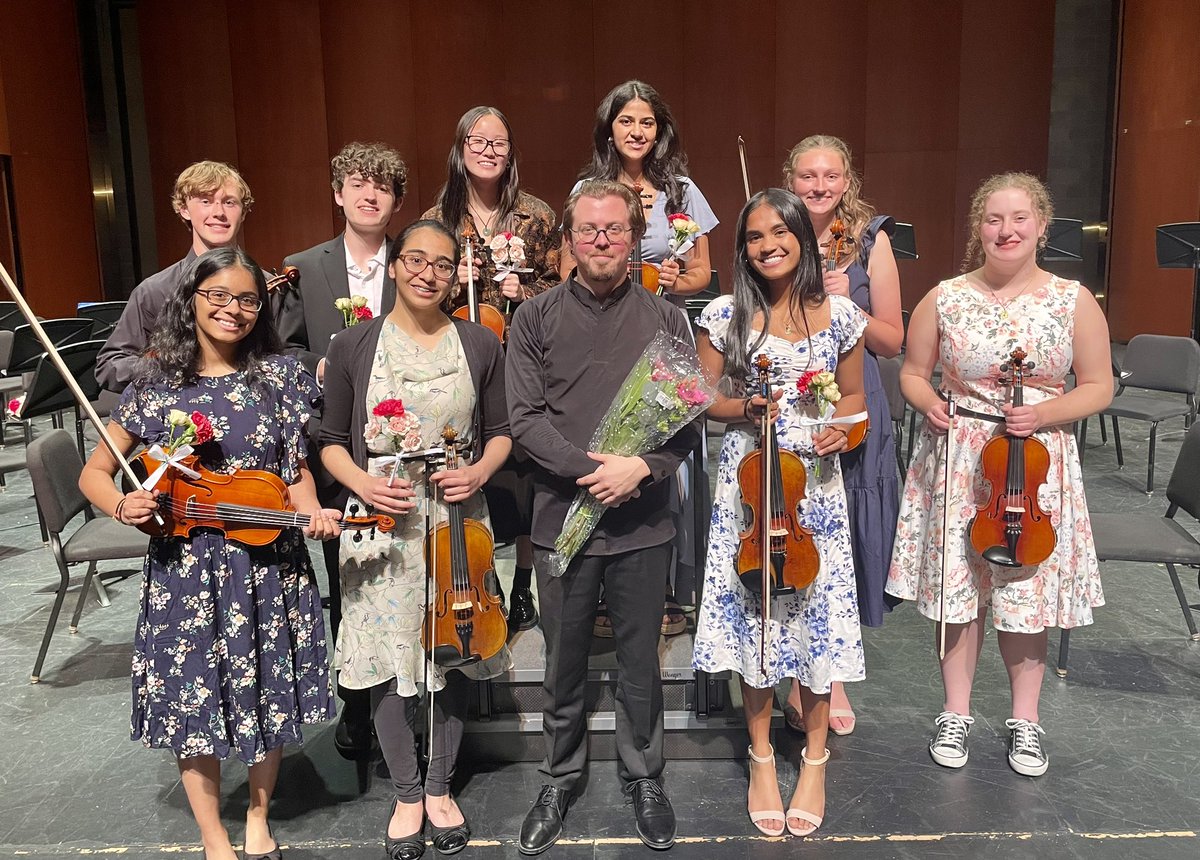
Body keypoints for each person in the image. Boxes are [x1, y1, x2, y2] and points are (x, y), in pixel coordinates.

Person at [79, 247, 338, 860]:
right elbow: (96, 473)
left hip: (270, 564)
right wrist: (122, 507)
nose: (233, 310)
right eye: (217, 296)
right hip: (186, 574)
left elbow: (293, 471)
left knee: (268, 691)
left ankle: (256, 816)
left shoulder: (282, 376)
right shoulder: (155, 385)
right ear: (190, 301)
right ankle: (213, 836)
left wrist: (312, 512)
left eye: (247, 298)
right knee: (194, 699)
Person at [885, 172, 1111, 778]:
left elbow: (1098, 385)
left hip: (1034, 462)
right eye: (992, 220)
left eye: (1018, 219)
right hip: (960, 460)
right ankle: (955, 712)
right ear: (977, 229)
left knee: (1024, 593)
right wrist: (924, 400)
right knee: (960, 595)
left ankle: (1026, 721)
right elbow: (912, 370)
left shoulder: (1072, 299)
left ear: (1041, 224)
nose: (1005, 231)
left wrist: (1041, 412)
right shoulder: (945, 295)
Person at [507, 180, 699, 854]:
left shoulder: (668, 319)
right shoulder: (532, 319)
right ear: (569, 237)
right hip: (562, 519)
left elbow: (685, 428)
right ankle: (559, 775)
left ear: (633, 235)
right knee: (563, 661)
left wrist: (640, 469)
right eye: (587, 230)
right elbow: (525, 422)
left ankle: (645, 776)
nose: (600, 241)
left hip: (643, 525)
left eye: (614, 229)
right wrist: (595, 472)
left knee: (640, 661)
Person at [319, 219, 512, 858]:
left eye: (443, 263)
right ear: (395, 266)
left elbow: (503, 430)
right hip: (382, 517)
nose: (428, 273)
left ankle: (438, 786)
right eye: (416, 260)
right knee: (384, 659)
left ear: (458, 272)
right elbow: (330, 443)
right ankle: (405, 791)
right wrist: (363, 487)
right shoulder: (353, 345)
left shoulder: (481, 343)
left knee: (453, 646)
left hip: (458, 517)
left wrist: (481, 469)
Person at [691, 187, 867, 838]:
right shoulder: (723, 315)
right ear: (742, 249)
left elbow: (853, 402)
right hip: (749, 484)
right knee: (758, 618)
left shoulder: (840, 315)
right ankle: (762, 755)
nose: (767, 245)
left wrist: (843, 433)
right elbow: (701, 398)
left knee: (815, 622)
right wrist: (744, 409)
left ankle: (814, 761)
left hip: (815, 490)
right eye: (754, 237)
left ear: (802, 236)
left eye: (779, 232)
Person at [564, 79, 718, 636]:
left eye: (647, 122)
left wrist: (681, 277)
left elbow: (703, 272)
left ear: (660, 131)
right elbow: (568, 268)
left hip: (663, 336)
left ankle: (669, 593)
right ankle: (600, 596)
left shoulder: (680, 190)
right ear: (611, 127)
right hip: (602, 339)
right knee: (604, 450)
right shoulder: (589, 187)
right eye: (627, 121)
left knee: (664, 463)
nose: (637, 131)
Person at [272, 141, 408, 759]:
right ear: (338, 194)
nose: (368, 193)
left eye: (380, 185)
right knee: (349, 583)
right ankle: (356, 707)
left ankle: (406, 709)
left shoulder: (416, 260)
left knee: (405, 578)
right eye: (356, 183)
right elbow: (279, 350)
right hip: (332, 450)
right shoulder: (303, 266)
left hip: (401, 446)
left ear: (395, 200)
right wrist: (318, 365)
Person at [780, 135, 905, 737]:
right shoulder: (776, 229)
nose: (818, 186)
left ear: (847, 178)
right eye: (807, 176)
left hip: (854, 399)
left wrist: (844, 307)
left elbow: (892, 339)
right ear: (791, 178)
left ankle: (831, 679)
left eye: (831, 175)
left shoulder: (870, 240)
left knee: (843, 537)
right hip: (792, 400)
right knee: (788, 528)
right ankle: (786, 671)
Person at [422, 106, 562, 632]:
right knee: (475, 466)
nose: (488, 150)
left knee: (526, 471)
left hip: (527, 361)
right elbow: (419, 295)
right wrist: (453, 281)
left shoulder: (537, 214)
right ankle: (483, 579)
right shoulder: (438, 218)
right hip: (463, 360)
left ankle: (524, 581)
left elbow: (560, 286)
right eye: (477, 141)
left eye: (499, 142)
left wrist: (520, 290)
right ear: (460, 150)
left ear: (511, 151)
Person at [97, 161, 253, 392]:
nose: (218, 212)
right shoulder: (155, 290)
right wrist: (173, 366)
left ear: (243, 211)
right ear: (184, 209)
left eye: (229, 202)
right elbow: (111, 365)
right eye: (205, 201)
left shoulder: (267, 286)